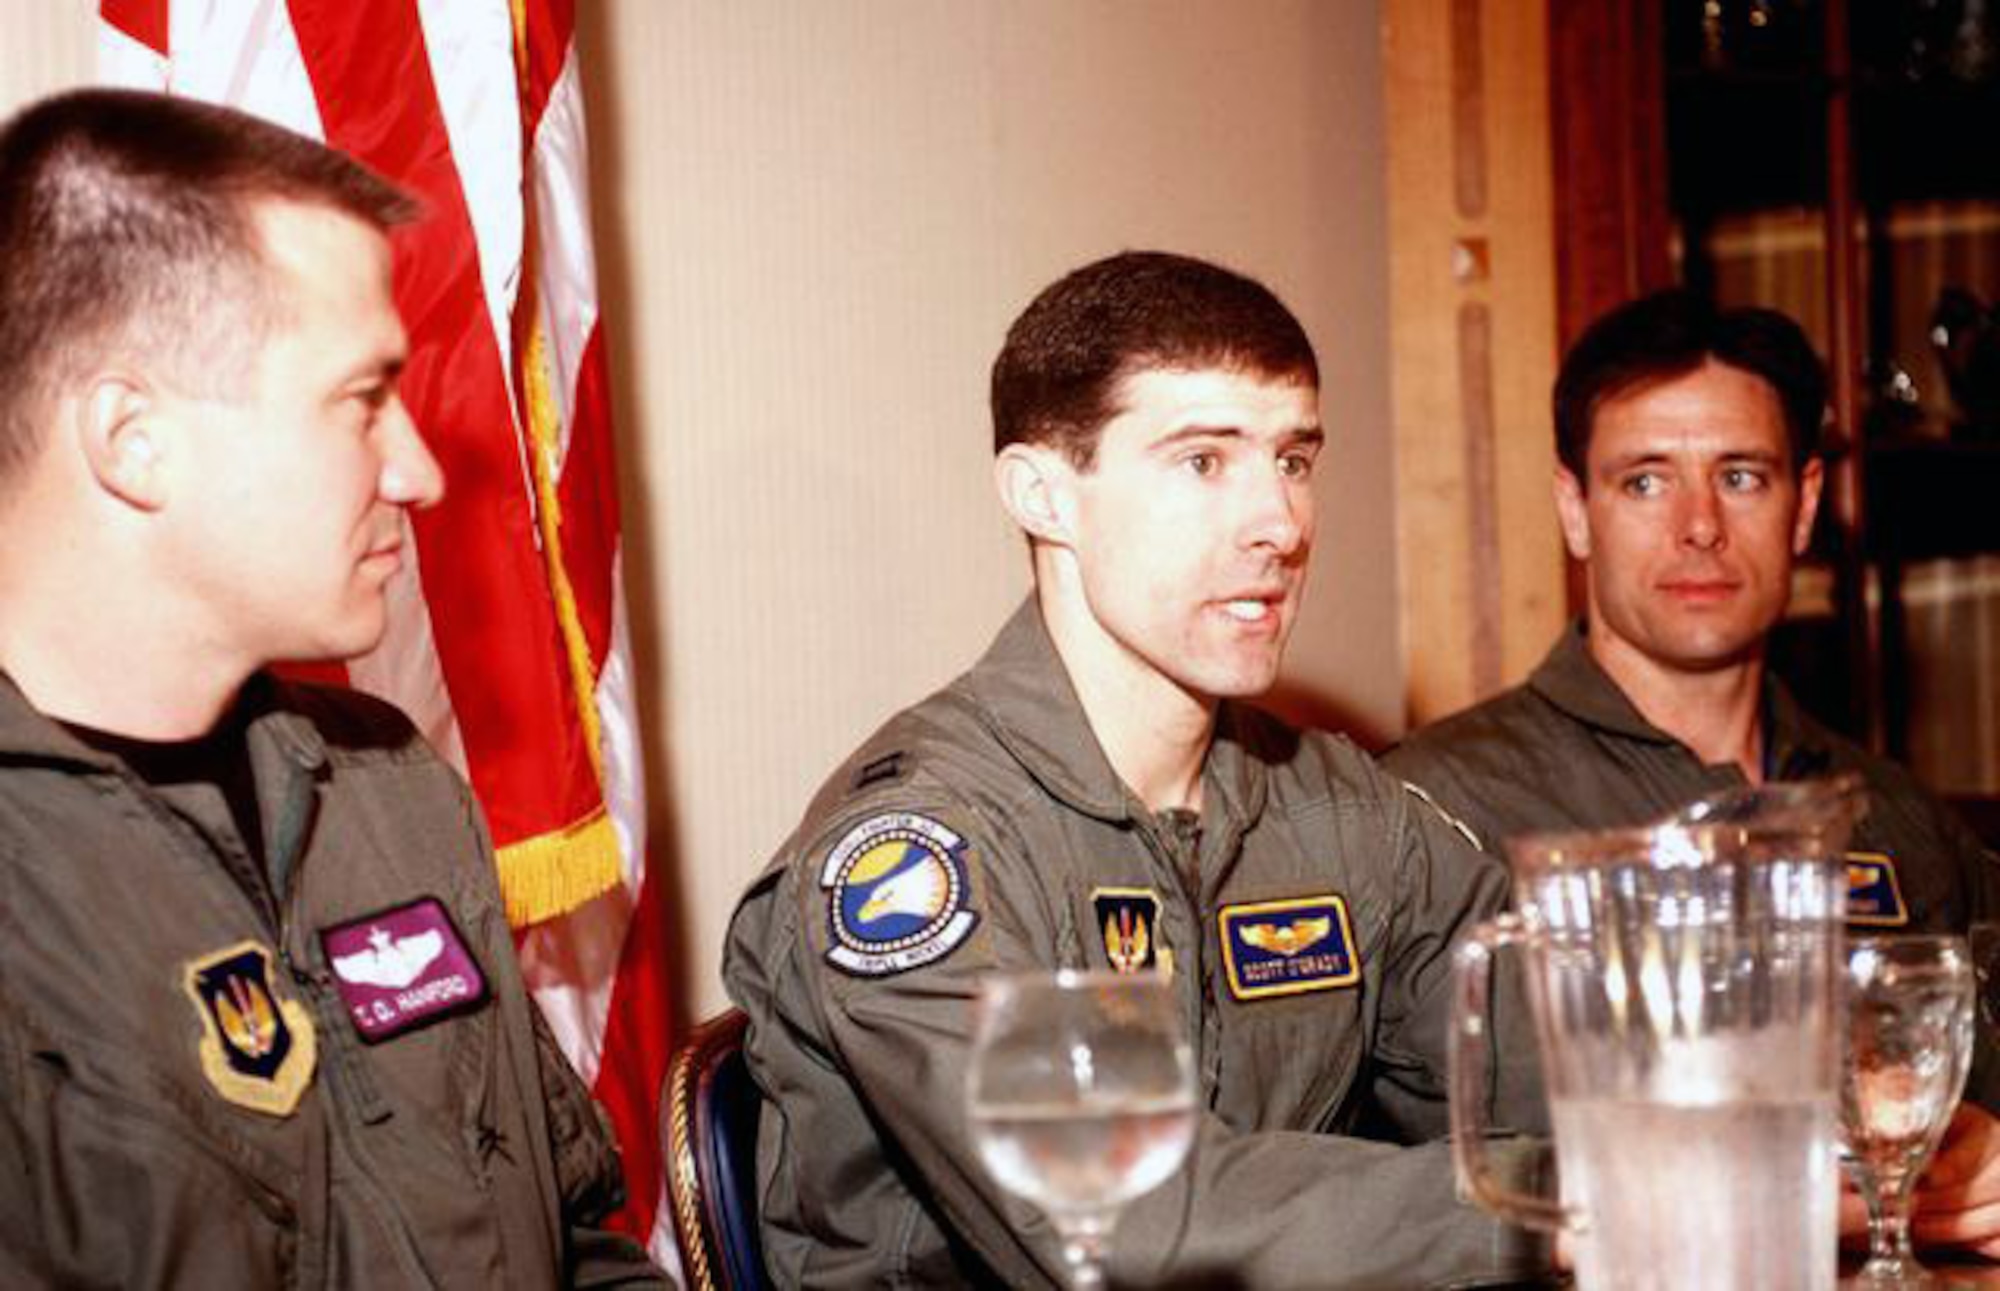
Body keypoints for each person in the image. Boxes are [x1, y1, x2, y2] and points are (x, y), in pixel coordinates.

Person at [724, 250, 1549, 1288]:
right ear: (1042, 493)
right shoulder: (922, 850)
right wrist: (1587, 1203)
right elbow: (1133, 1219)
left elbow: (1554, 1070)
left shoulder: (1337, 810)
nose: (1280, 525)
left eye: (1292, 461)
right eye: (1203, 461)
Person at [0, 89, 670, 1287]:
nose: (415, 471)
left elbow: (575, 1243)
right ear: (132, 440)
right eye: (362, 400)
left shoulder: (386, 786)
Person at [1385, 287, 2000, 1257]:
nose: (1698, 526)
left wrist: (1974, 1173)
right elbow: (1353, 1174)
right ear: (1571, 510)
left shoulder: (1899, 822)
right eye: (1642, 481)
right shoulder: (1427, 808)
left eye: (1740, 477)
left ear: (1801, 506)